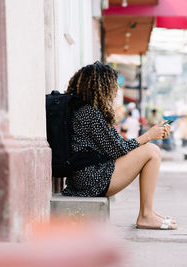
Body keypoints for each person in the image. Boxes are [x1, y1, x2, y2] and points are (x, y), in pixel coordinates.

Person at [63, 61, 177, 230]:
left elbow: (116, 145)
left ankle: (149, 212)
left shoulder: (83, 110)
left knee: (151, 150)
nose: (115, 91)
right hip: (91, 180)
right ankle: (146, 215)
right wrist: (148, 136)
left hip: (85, 178)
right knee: (152, 151)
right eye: (112, 86)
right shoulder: (90, 113)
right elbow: (117, 150)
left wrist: (149, 136)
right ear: (100, 86)